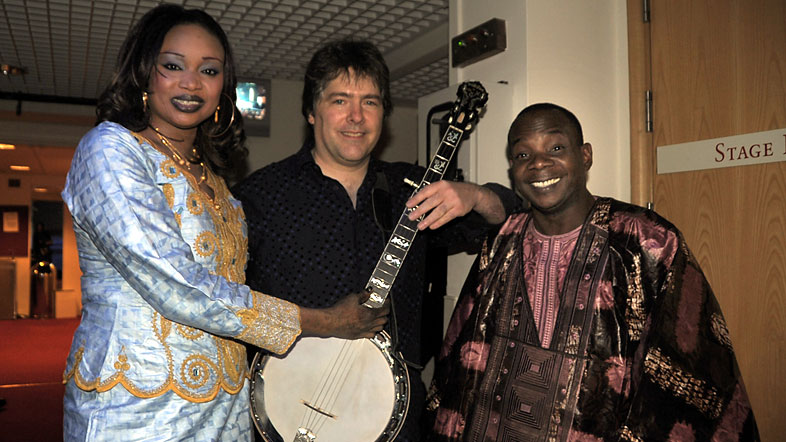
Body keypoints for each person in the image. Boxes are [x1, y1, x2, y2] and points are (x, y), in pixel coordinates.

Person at [61, 5, 388, 441]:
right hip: (138, 405)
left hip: (228, 408)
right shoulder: (111, 151)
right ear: (144, 73)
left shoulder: (213, 177)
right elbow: (178, 284)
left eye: (209, 70)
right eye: (173, 66)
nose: (192, 82)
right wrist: (325, 322)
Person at [232, 39, 521, 441]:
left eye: (369, 102)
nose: (356, 117)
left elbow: (512, 217)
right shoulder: (258, 196)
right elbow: (230, 306)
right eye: (339, 100)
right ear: (311, 112)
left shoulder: (412, 190)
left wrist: (474, 194)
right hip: (285, 410)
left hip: (393, 414)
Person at [425, 103, 759, 441]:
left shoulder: (646, 240)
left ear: (585, 155)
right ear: (513, 169)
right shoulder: (502, 241)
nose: (539, 163)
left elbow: (690, 372)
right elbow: (460, 354)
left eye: (556, 148)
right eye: (523, 155)